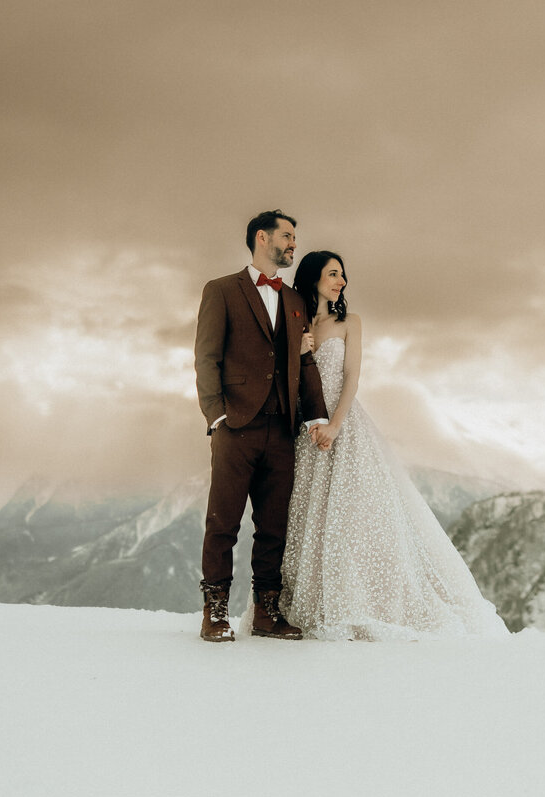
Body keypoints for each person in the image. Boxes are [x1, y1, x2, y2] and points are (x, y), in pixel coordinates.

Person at [272, 250, 509, 640]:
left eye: (343, 275)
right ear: (313, 277)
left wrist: (335, 425)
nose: (341, 281)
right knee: (307, 521)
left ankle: (359, 604)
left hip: (342, 428)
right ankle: (306, 607)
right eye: (333, 274)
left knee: (352, 519)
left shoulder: (350, 322)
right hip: (304, 433)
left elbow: (351, 377)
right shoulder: (295, 323)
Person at [193, 210, 332, 643]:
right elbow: (206, 357)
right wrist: (216, 415)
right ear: (261, 238)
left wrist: (318, 416)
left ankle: (266, 613)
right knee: (224, 522)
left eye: (295, 237)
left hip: (283, 430)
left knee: (273, 526)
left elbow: (304, 362)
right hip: (236, 426)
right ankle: (214, 612)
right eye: (287, 236)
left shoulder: (294, 302)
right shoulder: (221, 290)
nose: (293, 243)